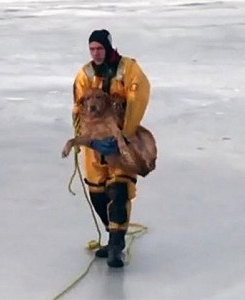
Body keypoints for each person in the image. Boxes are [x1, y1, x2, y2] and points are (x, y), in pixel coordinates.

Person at [72, 29, 151, 268]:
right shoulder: (85, 74)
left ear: (108, 47)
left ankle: (117, 246)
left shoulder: (128, 69)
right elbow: (78, 108)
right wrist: (82, 139)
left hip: (120, 142)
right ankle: (112, 235)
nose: (96, 53)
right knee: (97, 193)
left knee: (119, 190)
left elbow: (138, 98)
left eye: (99, 48)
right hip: (95, 145)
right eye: (92, 49)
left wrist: (126, 134)